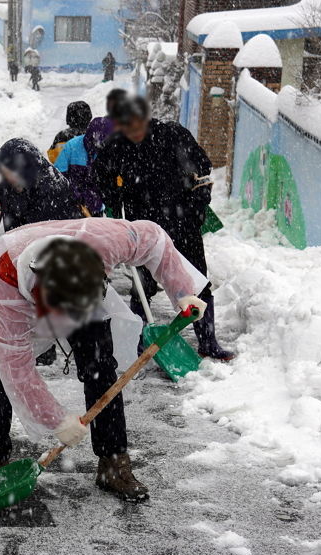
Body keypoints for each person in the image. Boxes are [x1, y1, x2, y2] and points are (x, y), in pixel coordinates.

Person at [0, 217, 209, 500]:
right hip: (8, 288)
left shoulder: (107, 241)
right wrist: (56, 419)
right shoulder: (8, 283)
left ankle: (113, 463)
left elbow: (155, 239)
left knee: (100, 366)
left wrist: (183, 293)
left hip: (79, 289)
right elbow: (15, 367)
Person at [93, 96, 235, 361]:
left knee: (196, 279)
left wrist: (198, 206)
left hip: (183, 222)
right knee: (142, 284)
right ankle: (139, 340)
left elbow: (203, 170)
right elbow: (101, 173)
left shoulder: (173, 135)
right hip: (144, 226)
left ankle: (207, 340)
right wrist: (114, 202)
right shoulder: (118, 144)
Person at [0, 138, 83, 366]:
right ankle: (27, 342)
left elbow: (44, 235)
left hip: (46, 248)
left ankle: (49, 348)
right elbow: (5, 186)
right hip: (21, 244)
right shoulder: (19, 173)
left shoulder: (52, 188)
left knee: (42, 292)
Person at [53, 117, 115, 216]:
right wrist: (75, 195)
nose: (100, 145)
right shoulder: (72, 146)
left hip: (97, 207)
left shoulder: (110, 150)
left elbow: (109, 179)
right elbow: (58, 175)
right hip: (73, 206)